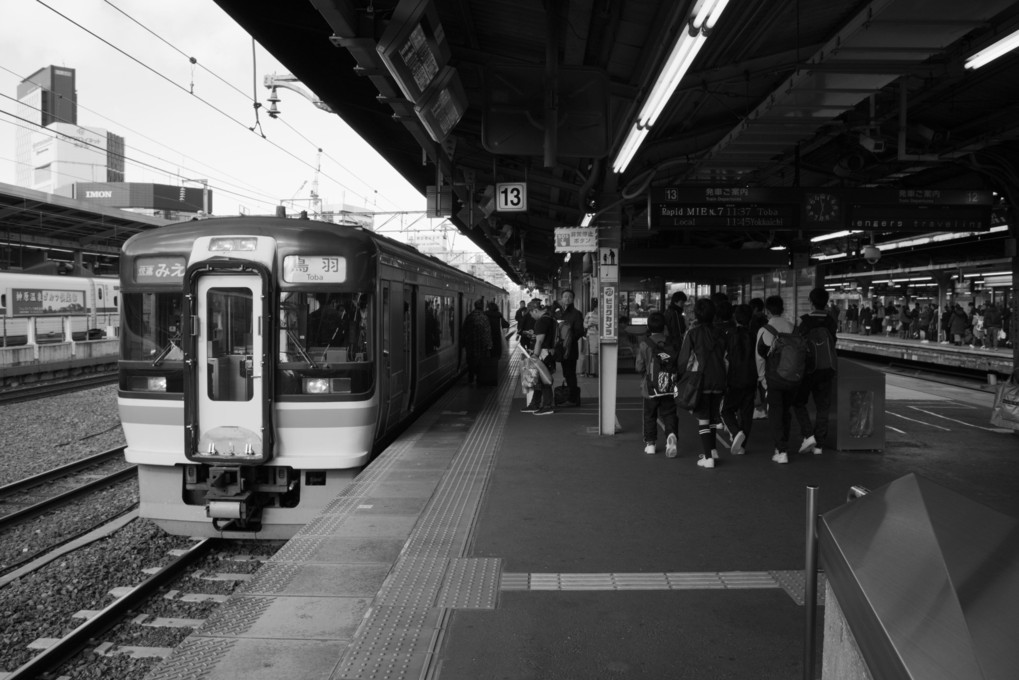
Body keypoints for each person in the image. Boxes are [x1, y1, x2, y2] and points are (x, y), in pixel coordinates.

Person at [676, 298, 727, 469]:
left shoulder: (693, 333)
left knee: (703, 418)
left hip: (701, 379)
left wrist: (678, 376)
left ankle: (708, 458)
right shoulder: (721, 333)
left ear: (697, 314)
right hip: (720, 378)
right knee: (713, 416)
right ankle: (712, 450)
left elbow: (683, 360)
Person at [793, 287, 838, 456]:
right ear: (826, 302)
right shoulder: (831, 321)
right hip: (827, 370)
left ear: (811, 302)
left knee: (798, 402)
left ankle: (808, 434)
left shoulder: (804, 321)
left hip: (808, 370)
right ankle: (819, 445)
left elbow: (799, 345)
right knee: (823, 407)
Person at [756, 295, 796, 464]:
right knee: (786, 412)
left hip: (773, 379)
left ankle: (781, 450)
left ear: (767, 311)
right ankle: (783, 444)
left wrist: (762, 379)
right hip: (792, 377)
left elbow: (759, 358)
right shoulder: (793, 327)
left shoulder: (765, 330)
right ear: (783, 309)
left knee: (775, 413)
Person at [635, 312, 678, 456]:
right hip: (669, 386)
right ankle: (671, 435)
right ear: (664, 326)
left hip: (650, 387)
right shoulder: (671, 342)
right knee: (669, 413)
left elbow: (639, 367)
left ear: (648, 326)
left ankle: (651, 444)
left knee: (650, 415)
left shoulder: (645, 344)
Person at [720, 303, 757, 456]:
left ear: (735, 318)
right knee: (747, 413)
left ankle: (736, 433)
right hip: (751, 377)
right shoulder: (754, 335)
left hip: (734, 378)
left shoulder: (729, 334)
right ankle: (742, 445)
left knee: (726, 410)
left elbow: (723, 358)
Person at [521, 299, 557, 415]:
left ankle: (547, 406)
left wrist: (535, 356)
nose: (531, 316)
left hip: (543, 353)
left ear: (535, 310)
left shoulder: (541, 321)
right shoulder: (550, 318)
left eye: (531, 313)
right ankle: (535, 404)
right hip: (549, 352)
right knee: (539, 379)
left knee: (544, 379)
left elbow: (539, 341)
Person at [558, 290, 586, 406]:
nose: (567, 298)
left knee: (570, 373)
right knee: (566, 372)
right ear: (562, 299)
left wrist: (569, 339)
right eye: (565, 296)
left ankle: (573, 398)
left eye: (569, 297)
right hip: (561, 349)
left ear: (573, 299)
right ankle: (570, 396)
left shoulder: (576, 314)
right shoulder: (559, 313)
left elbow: (580, 331)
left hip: (570, 349)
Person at [460, 299, 492, 385]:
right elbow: (487, 332)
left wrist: (463, 343)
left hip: (470, 344)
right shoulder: (484, 317)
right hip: (481, 345)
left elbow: (464, 330)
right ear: (482, 307)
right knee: (481, 362)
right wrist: (489, 344)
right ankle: (479, 378)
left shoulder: (469, 316)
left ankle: (470, 378)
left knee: (470, 362)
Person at [584, 298, 600, 377]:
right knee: (590, 354)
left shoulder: (603, 315)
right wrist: (589, 325)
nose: (597, 309)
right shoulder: (589, 314)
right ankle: (589, 371)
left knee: (596, 354)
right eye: (596, 307)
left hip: (599, 336)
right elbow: (584, 325)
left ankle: (596, 371)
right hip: (590, 336)